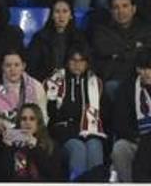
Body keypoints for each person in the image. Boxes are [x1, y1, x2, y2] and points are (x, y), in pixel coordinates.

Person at [110, 52, 151, 181]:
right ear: (137, 69)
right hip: (136, 140)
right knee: (119, 148)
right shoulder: (126, 88)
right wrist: (141, 139)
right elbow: (119, 123)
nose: (147, 73)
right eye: (143, 68)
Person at [44, 46, 106, 178]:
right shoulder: (55, 80)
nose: (77, 64)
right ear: (67, 61)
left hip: (90, 132)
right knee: (78, 148)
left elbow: (103, 114)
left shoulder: (96, 82)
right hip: (62, 132)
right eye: (73, 60)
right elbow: (50, 114)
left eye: (82, 60)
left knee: (95, 146)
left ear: (87, 63)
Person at [91, 0, 151, 95]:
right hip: (114, 78)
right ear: (111, 11)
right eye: (116, 7)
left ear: (133, 9)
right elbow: (103, 52)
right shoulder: (101, 31)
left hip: (143, 79)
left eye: (125, 6)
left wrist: (118, 54)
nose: (121, 11)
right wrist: (135, 47)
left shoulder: (145, 28)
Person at [0, 50, 47, 136]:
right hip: (0, 133)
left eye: (17, 65)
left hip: (30, 134)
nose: (12, 69)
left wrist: (32, 132)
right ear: (2, 66)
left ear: (23, 66)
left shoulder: (36, 86)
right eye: (8, 65)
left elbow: (43, 117)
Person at [0, 103, 65, 182]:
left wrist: (36, 148)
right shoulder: (9, 144)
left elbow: (53, 174)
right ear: (19, 122)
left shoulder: (51, 145)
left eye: (32, 119)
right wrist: (7, 149)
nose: (27, 122)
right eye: (24, 119)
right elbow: (0, 175)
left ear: (38, 123)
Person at [26, 0, 88, 80]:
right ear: (52, 15)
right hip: (45, 81)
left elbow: (85, 64)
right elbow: (32, 66)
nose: (61, 16)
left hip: (73, 81)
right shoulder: (40, 37)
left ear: (71, 16)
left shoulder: (80, 38)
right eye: (57, 12)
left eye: (65, 11)